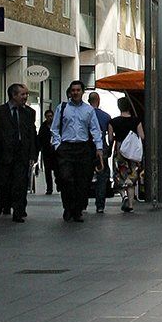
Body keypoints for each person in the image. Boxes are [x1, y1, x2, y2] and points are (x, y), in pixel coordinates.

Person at [50, 79, 107, 222]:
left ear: (82, 92)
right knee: (65, 179)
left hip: (83, 148)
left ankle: (77, 210)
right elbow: (55, 128)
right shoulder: (62, 108)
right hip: (66, 148)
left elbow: (95, 130)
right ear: (70, 92)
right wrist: (58, 145)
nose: (75, 93)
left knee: (82, 181)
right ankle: (68, 207)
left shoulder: (88, 110)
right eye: (73, 90)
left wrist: (99, 148)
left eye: (78, 90)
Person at [0, 83, 36, 223]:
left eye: (26, 94)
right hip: (4, 153)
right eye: (22, 94)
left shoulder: (29, 113)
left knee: (19, 183)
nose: (25, 97)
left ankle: (18, 212)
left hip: (22, 154)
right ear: (13, 95)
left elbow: (32, 134)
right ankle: (2, 203)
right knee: (3, 183)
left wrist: (33, 154)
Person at [111, 97, 145, 214]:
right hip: (132, 152)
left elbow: (110, 138)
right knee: (131, 175)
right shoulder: (136, 121)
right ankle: (130, 204)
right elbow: (142, 136)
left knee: (120, 175)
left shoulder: (113, 121)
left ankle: (123, 195)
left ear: (119, 107)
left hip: (120, 151)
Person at [87, 90, 113, 213]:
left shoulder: (85, 114)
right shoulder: (106, 116)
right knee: (102, 177)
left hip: (86, 149)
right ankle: (100, 205)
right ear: (98, 100)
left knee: (85, 177)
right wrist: (109, 148)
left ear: (88, 101)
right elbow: (110, 135)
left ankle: (82, 204)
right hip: (101, 149)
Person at [37, 107, 56, 195]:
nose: (50, 118)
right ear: (45, 117)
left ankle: (59, 184)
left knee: (57, 170)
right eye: (48, 116)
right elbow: (40, 138)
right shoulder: (43, 127)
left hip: (56, 152)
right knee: (47, 171)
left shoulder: (56, 126)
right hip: (47, 152)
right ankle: (49, 188)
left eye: (51, 116)